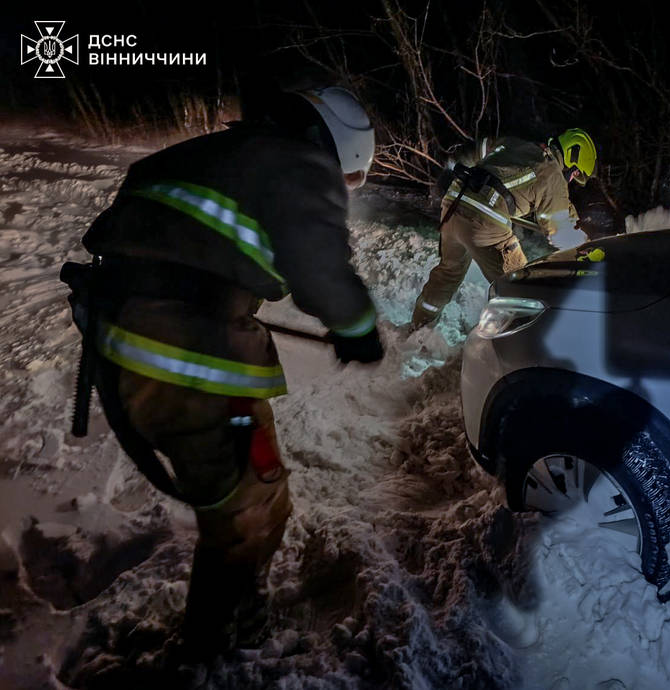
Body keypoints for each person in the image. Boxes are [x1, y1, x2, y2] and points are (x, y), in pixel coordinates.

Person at [61, 84, 383, 657]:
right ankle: (217, 645)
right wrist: (357, 329)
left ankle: (227, 621)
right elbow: (318, 266)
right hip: (186, 358)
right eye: (348, 177)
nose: (343, 188)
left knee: (238, 494)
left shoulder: (206, 155)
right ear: (338, 148)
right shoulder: (299, 162)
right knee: (251, 507)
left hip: (119, 341)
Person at [411, 128, 597, 329]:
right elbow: (559, 231)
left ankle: (418, 329)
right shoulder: (552, 173)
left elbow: (478, 147)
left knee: (448, 273)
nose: (572, 179)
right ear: (572, 157)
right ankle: (500, 349)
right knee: (523, 292)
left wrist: (450, 169)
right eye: (576, 173)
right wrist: (583, 251)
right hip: (483, 218)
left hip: (453, 204)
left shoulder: (514, 143)